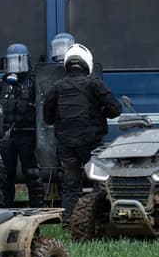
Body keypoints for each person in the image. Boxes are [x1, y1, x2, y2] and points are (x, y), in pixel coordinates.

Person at [43, 43, 121, 221]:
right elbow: (115, 110)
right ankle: (97, 219)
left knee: (70, 185)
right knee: (98, 181)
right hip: (91, 144)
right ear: (87, 63)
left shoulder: (55, 88)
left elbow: (48, 119)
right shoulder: (95, 84)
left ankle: (69, 220)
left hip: (66, 146)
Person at [0, 43, 43, 207]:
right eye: (11, 62)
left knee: (32, 174)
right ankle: (6, 208)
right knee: (5, 174)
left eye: (18, 61)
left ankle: (37, 208)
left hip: (28, 134)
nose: (15, 66)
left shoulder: (34, 82)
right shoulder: (0, 84)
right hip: (7, 136)